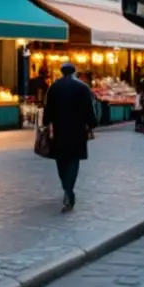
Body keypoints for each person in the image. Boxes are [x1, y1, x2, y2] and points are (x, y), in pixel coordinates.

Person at [43, 62, 98, 212]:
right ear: (74, 72)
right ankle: (69, 189)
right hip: (77, 130)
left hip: (60, 129)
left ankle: (66, 187)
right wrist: (92, 124)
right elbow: (89, 108)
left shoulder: (54, 87)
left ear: (61, 72)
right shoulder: (82, 87)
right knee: (73, 160)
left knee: (61, 160)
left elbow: (48, 108)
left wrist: (46, 124)